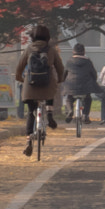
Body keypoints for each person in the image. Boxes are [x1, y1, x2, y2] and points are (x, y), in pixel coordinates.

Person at [15, 22, 66, 154]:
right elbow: (60, 69)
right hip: (47, 85)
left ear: (32, 37)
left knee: (31, 113)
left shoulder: (28, 49)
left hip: (30, 86)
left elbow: (19, 69)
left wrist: (22, 79)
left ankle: (28, 141)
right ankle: (49, 114)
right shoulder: (51, 50)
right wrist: (60, 80)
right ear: (47, 36)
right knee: (50, 93)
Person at [64, 42, 98, 125]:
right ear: (84, 51)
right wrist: (93, 80)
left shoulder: (69, 61)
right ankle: (85, 115)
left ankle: (70, 110)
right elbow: (94, 74)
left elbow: (64, 74)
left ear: (73, 51)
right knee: (88, 99)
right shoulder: (88, 61)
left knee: (69, 98)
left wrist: (63, 81)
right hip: (85, 87)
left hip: (71, 86)